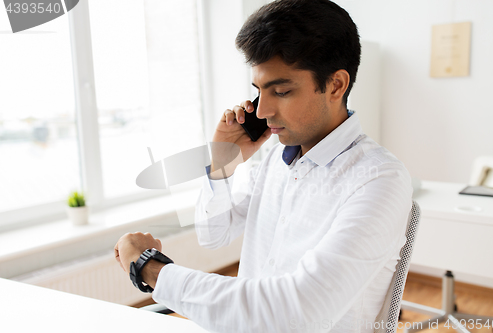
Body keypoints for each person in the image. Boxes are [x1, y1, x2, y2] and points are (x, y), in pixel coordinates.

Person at [114, 0, 413, 332]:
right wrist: (221, 163)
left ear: (336, 85)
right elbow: (212, 235)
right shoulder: (276, 159)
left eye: (281, 91)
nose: (261, 111)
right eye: (258, 91)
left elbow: (295, 314)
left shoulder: (379, 179)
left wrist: (150, 270)